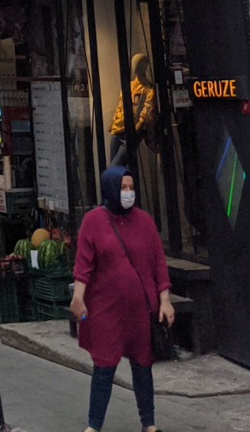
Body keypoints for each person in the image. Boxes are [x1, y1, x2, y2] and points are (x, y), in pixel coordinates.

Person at [71, 166, 173, 432]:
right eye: (123, 188)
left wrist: (165, 300)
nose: (128, 193)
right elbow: (83, 264)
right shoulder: (93, 221)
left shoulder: (145, 221)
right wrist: (78, 298)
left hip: (141, 309)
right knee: (104, 365)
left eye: (131, 187)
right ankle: (94, 425)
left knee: (142, 365)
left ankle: (148, 424)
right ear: (110, 189)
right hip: (106, 309)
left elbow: (158, 264)